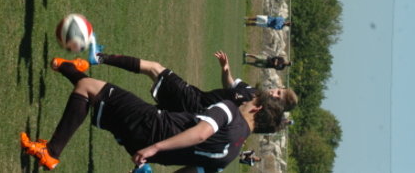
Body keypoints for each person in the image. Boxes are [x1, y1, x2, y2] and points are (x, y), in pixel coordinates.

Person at [20, 55, 293, 171]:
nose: (249, 98)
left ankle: (51, 152)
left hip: (151, 127)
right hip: (143, 148)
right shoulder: (231, 155)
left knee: (88, 87)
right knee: (93, 92)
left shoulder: (230, 111)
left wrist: (155, 148)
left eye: (254, 98)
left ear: (256, 108)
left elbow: (201, 133)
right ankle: (64, 67)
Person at [95, 50, 297, 116]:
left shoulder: (252, 110)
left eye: (278, 97)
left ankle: (100, 58)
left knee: (154, 68)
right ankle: (97, 101)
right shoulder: (252, 91)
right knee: (142, 111)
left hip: (193, 102)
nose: (274, 93)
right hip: (192, 105)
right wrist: (225, 69)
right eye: (278, 90)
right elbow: (229, 85)